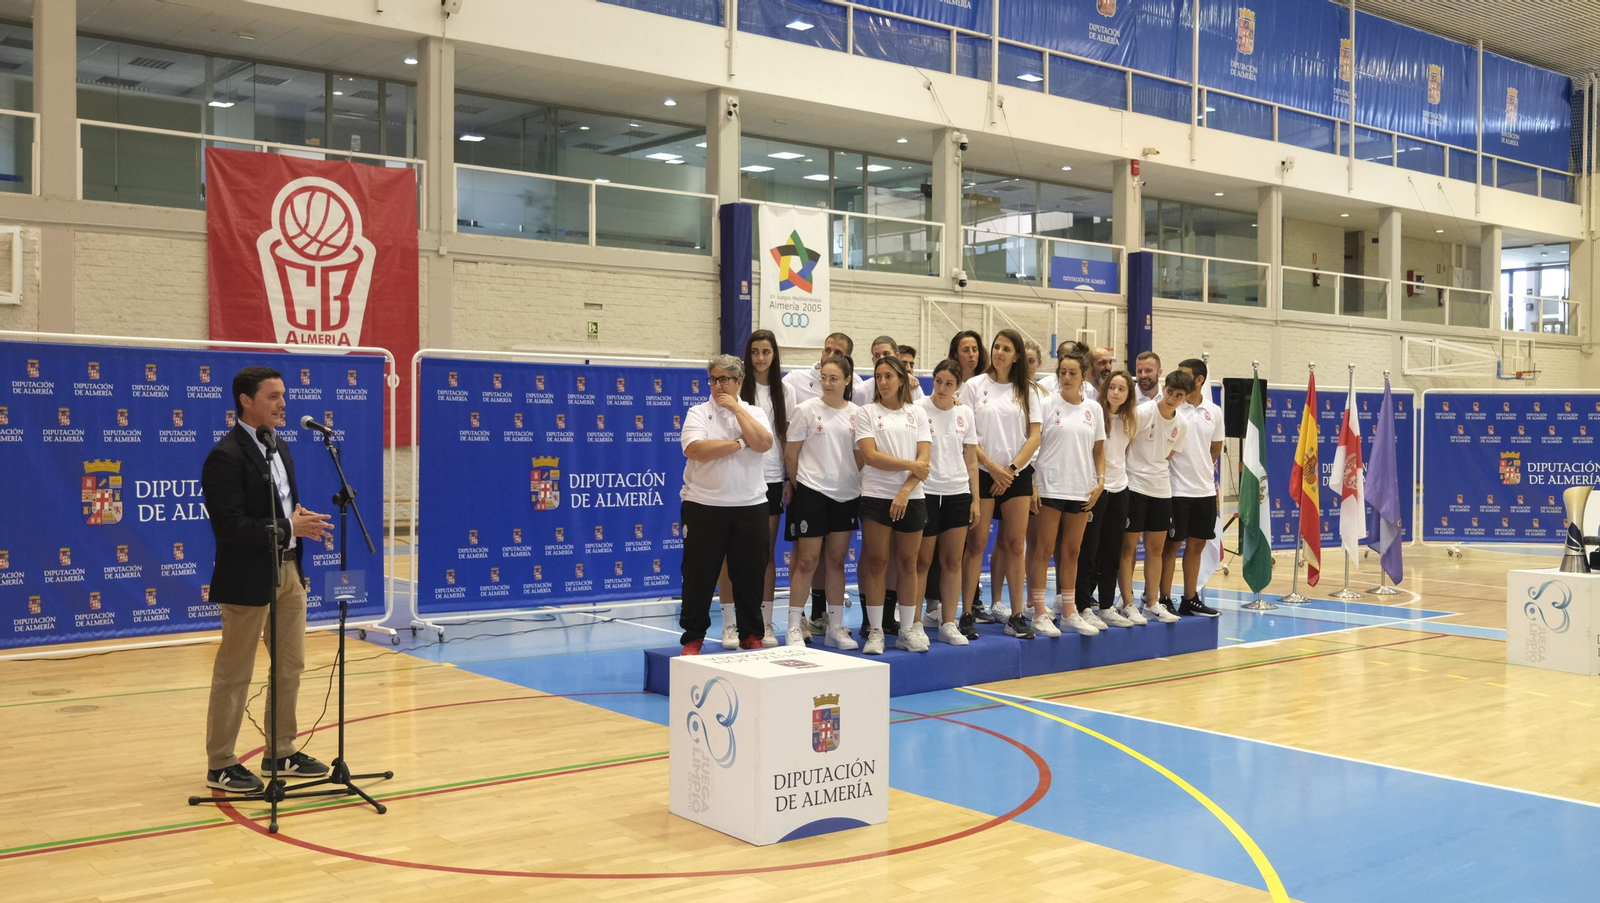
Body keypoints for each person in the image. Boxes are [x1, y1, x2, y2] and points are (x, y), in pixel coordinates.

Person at [202, 366, 333, 792]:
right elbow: (230, 526)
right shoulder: (226, 456)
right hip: (248, 576)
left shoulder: (280, 447)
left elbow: (281, 508)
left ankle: (281, 752)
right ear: (246, 400)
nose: (283, 404)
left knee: (291, 664)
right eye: (273, 396)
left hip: (289, 571)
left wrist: (303, 522)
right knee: (235, 672)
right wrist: (288, 528)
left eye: (283, 396)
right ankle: (220, 762)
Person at [678, 355, 775, 655]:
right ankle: (694, 637)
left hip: (750, 505)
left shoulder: (754, 412)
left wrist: (735, 409)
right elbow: (696, 449)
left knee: (749, 574)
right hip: (704, 504)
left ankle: (751, 634)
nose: (717, 386)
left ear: (738, 382)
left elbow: (764, 443)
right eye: (713, 379)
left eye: (723, 380)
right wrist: (737, 444)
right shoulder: (698, 412)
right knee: (699, 575)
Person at [959, 329, 1043, 640]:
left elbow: (1034, 436)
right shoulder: (973, 386)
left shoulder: (1028, 391)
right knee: (977, 544)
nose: (999, 352)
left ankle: (1017, 614)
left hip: (1016, 475)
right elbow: (967, 435)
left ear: (1017, 355)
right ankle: (966, 613)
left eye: (1006, 348)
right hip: (982, 472)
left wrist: (1009, 470)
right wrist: (992, 468)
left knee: (1014, 545)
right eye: (996, 347)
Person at [784, 355, 864, 649]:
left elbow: (860, 455)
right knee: (806, 560)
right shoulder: (806, 410)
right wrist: (799, 484)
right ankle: (793, 625)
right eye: (824, 378)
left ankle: (835, 625)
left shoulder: (858, 413)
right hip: (812, 492)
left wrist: (851, 480)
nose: (828, 383)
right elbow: (791, 454)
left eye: (834, 378)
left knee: (836, 562)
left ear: (847, 381)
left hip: (846, 495)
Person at [714, 330, 788, 647]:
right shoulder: (734, 389)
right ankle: (730, 624)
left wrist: (787, 478)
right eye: (755, 351)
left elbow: (786, 435)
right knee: (729, 556)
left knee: (763, 556)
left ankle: (764, 623)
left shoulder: (783, 390)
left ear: (774, 355)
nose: (760, 357)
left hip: (770, 479)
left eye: (766, 351)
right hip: (736, 477)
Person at [854, 355, 932, 654]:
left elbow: (924, 462)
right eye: (878, 376)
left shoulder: (918, 414)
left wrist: (904, 491)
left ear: (902, 379)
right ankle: (875, 631)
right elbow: (871, 456)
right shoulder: (866, 413)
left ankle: (908, 629)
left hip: (911, 498)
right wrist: (909, 466)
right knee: (877, 562)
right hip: (875, 495)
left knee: (908, 564)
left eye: (889, 376)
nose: (883, 382)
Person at [1028, 351, 1106, 637]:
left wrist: (1100, 481)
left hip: (1081, 487)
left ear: (1084, 376)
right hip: (1050, 485)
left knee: (1072, 551)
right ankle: (1038, 611)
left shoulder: (1094, 410)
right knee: (1044, 549)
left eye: (1073, 372)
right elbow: (1034, 446)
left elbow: (1099, 451)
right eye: (1062, 372)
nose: (1067, 377)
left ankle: (1070, 610)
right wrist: (1033, 483)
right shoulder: (1046, 405)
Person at [915, 359, 980, 645]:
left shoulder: (965, 413)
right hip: (925, 492)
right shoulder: (918, 409)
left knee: (953, 560)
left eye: (948, 383)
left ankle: (948, 621)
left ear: (958, 386)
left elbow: (972, 459)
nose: (941, 388)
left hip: (957, 493)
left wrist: (975, 499)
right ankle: (913, 621)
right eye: (938, 381)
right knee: (922, 561)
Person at [1120, 370, 1192, 624]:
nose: (1172, 398)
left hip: (1161, 489)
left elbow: (1169, 455)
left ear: (1186, 398)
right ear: (1164, 387)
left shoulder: (1182, 424)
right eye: (1170, 392)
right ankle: (1126, 603)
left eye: (1179, 395)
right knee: (1128, 547)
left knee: (1156, 548)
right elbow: (1123, 443)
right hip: (1134, 486)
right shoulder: (1142, 412)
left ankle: (1152, 602)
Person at [1161, 358, 1224, 618]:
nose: (1179, 380)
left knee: (1196, 545)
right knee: (1172, 546)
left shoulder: (1214, 411)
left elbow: (1215, 448)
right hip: (1176, 490)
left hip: (1204, 491)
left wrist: (1201, 471)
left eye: (1185, 376)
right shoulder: (1173, 408)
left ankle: (1190, 598)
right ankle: (1162, 598)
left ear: (1199, 380)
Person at [1083, 369, 1143, 626]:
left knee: (1112, 551)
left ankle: (1107, 605)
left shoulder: (1131, 420)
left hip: (1121, 489)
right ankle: (1083, 605)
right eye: (1112, 387)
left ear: (1129, 394)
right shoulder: (1095, 415)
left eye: (1122, 389)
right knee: (1089, 551)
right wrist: (1098, 480)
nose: (1116, 392)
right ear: (1105, 389)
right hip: (1097, 489)